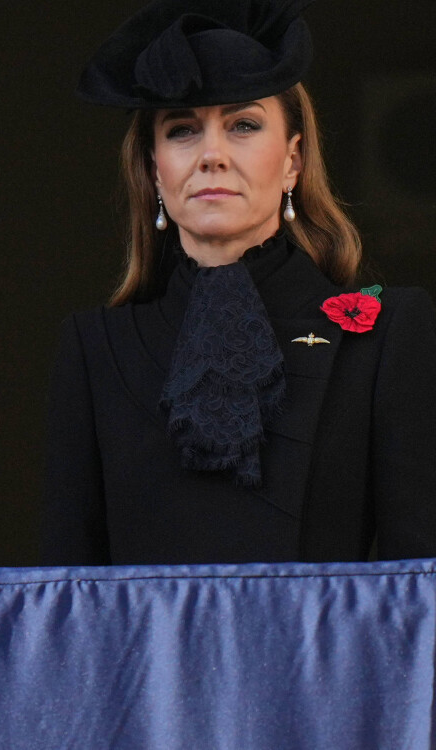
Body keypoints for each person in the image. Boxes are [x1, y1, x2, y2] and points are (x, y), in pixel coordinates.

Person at [39, 0, 436, 565]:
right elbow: (65, 601)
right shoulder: (94, 347)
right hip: (145, 658)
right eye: (182, 131)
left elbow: (419, 591)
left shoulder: (387, 333)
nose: (212, 156)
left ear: (293, 161)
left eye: (243, 124)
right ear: (155, 170)